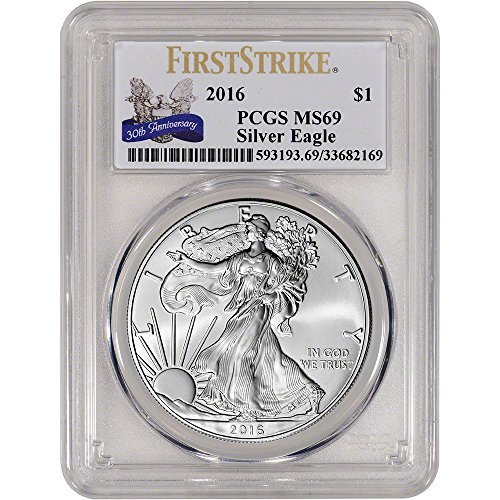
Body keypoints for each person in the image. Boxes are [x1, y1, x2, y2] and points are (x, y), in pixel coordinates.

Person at [172, 215, 324, 420]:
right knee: (272, 359)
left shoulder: (271, 261)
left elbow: (286, 286)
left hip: (259, 309)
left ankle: (248, 409)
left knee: (242, 355)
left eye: (250, 229)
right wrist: (186, 260)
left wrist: (272, 296)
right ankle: (310, 390)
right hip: (242, 310)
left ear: (260, 233)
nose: (247, 232)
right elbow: (214, 269)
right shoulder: (240, 258)